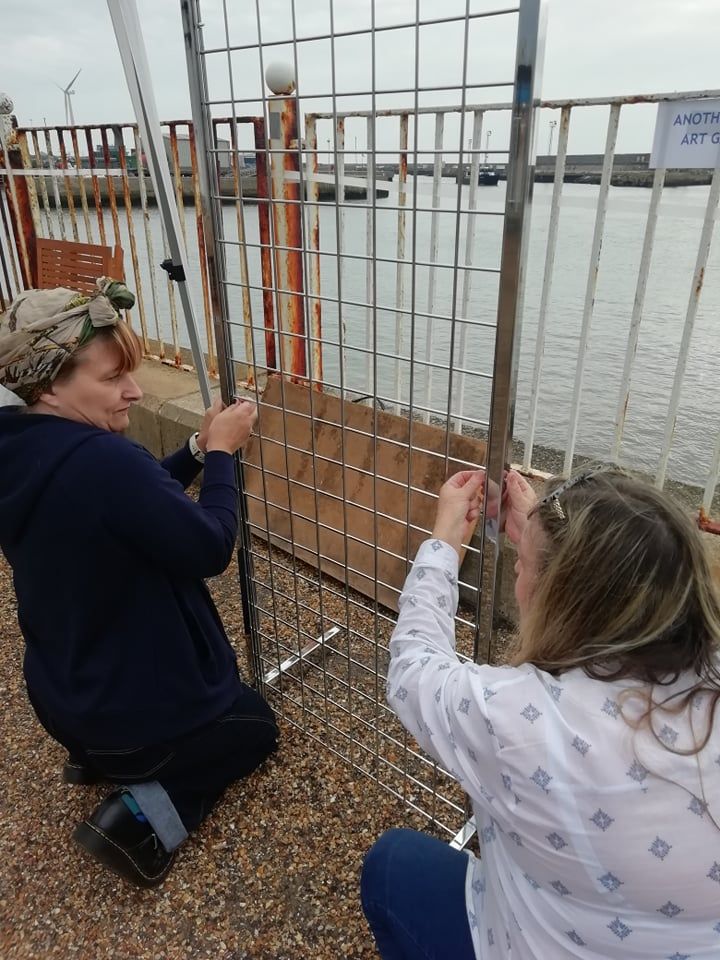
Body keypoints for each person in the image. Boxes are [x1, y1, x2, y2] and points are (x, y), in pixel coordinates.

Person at [361, 466, 720, 959]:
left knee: (391, 866)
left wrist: (444, 539)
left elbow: (413, 669)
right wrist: (538, 532)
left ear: (560, 595)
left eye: (523, 565)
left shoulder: (529, 722)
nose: (516, 571)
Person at [0, 280, 278, 888]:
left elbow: (133, 497)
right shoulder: (105, 464)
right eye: (110, 378)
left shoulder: (19, 448)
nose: (135, 389)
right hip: (135, 722)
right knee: (255, 726)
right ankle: (141, 816)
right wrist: (227, 454)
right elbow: (207, 547)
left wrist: (197, 449)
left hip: (65, 700)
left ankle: (96, 757)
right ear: (49, 384)